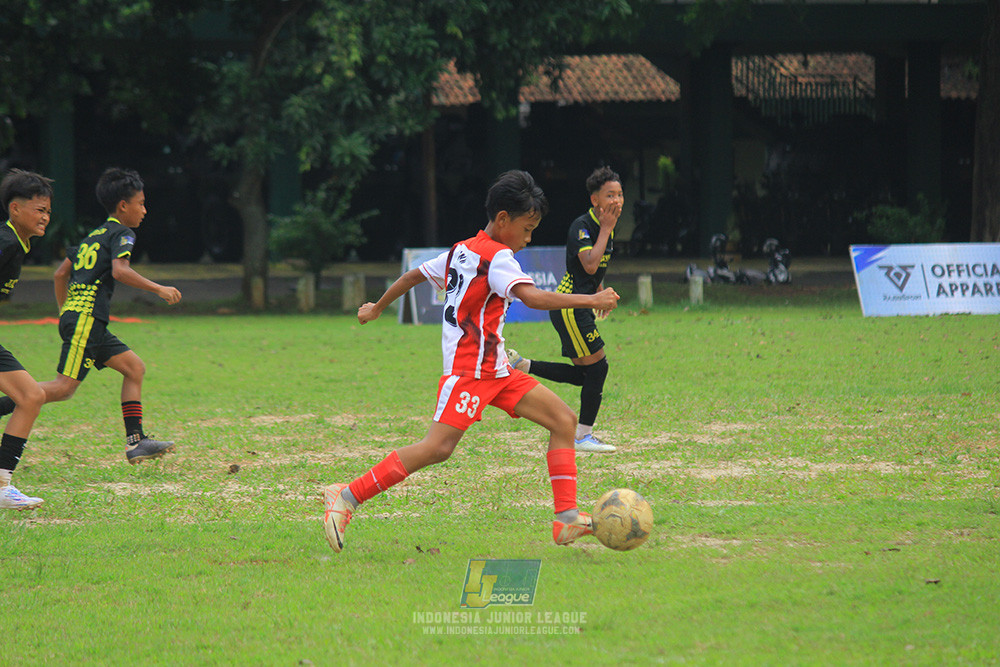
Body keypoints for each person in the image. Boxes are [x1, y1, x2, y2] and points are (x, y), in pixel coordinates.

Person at [322, 170, 620, 553]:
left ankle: (565, 520)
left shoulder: (464, 250)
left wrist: (377, 307)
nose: (528, 239)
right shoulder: (498, 258)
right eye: (527, 229)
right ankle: (346, 496)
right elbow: (533, 298)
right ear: (502, 220)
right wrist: (592, 300)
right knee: (437, 448)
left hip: (497, 369)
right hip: (469, 373)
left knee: (563, 420)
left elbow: (414, 275)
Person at [0, 167, 183, 464]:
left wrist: (66, 310)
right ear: (123, 206)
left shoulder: (94, 235)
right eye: (141, 203)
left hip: (84, 319)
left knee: (133, 368)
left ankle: (136, 442)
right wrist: (158, 288)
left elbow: (61, 273)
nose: (145, 210)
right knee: (61, 388)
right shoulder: (122, 233)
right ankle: (11, 404)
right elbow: (120, 271)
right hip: (86, 320)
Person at [507, 166, 623, 453]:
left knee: (587, 374)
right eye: (610, 195)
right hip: (570, 306)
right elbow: (589, 264)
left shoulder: (605, 224)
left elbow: (593, 273)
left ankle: (523, 365)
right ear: (595, 199)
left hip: (582, 303)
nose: (617, 201)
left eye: (620, 194)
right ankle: (582, 436)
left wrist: (598, 291)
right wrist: (606, 229)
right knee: (599, 368)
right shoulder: (583, 226)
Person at [0, 169, 52, 509]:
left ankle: (3, 484)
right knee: (31, 395)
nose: (45, 217)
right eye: (39, 209)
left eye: (48, 210)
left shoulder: (14, 245)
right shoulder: (5, 245)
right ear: (15, 209)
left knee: (31, 396)